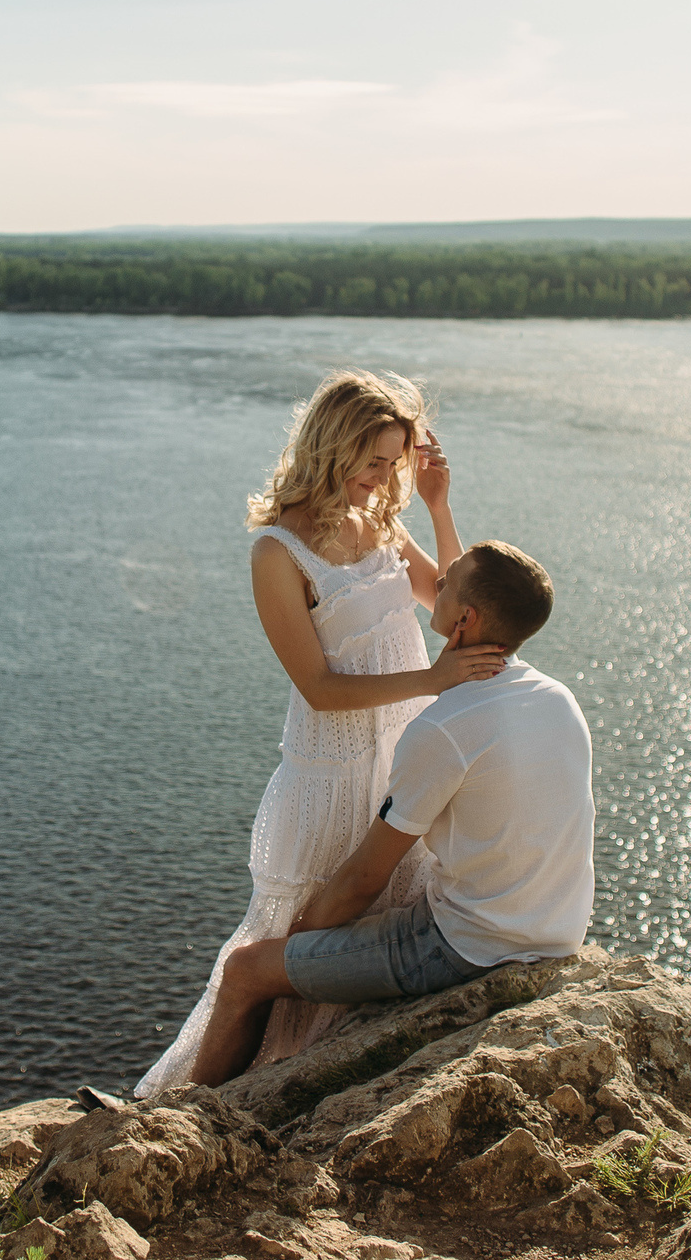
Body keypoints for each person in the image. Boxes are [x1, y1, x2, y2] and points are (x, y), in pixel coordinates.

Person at [133, 371, 509, 1096]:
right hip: (330, 776)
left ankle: (304, 1095)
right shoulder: (277, 552)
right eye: (374, 460)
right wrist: (434, 681)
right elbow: (319, 689)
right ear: (332, 445)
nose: (384, 477)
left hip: (398, 759)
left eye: (394, 462)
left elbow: (449, 605)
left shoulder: (383, 522)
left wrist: (438, 505)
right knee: (289, 947)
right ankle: (192, 1106)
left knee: (367, 933)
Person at [186, 539, 592, 1087]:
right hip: (558, 932)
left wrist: (294, 940)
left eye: (447, 582)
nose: (435, 583)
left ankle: (188, 1116)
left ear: (465, 619)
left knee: (244, 971)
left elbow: (363, 879)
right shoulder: (558, 698)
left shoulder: (443, 728)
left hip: (471, 947)